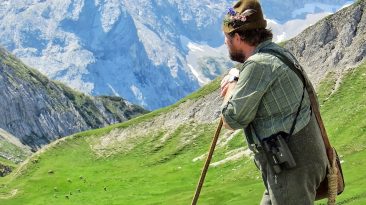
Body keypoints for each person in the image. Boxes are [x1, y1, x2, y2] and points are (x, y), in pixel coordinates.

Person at [219, 0, 328, 204]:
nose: (225, 42)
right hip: (299, 160)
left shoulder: (258, 65)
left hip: (291, 168)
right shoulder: (276, 53)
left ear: (239, 36)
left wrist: (231, 88)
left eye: (227, 36)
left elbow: (232, 119)